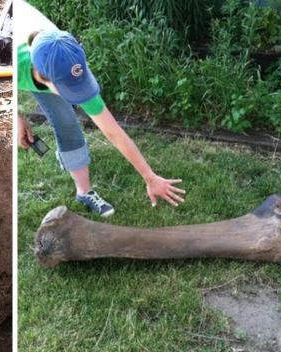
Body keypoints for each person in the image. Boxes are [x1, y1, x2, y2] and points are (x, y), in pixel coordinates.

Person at [16, 0, 185, 217]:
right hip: (10, 43)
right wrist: (17, 117)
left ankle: (84, 192)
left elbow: (113, 131)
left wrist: (150, 177)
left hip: (40, 53)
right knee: (58, 113)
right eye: (69, 89)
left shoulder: (66, 58)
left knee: (67, 122)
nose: (78, 96)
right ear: (42, 78)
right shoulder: (12, 64)